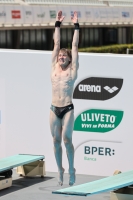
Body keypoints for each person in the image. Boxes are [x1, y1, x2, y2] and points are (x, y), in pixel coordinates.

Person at [50, 10, 79, 186]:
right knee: (55, 140)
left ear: (69, 59)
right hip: (54, 108)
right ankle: (60, 169)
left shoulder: (72, 70)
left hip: (67, 108)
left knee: (67, 140)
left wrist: (76, 25)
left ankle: (71, 169)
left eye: (64, 56)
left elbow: (74, 46)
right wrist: (57, 23)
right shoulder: (54, 67)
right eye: (60, 56)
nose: (61, 57)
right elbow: (56, 43)